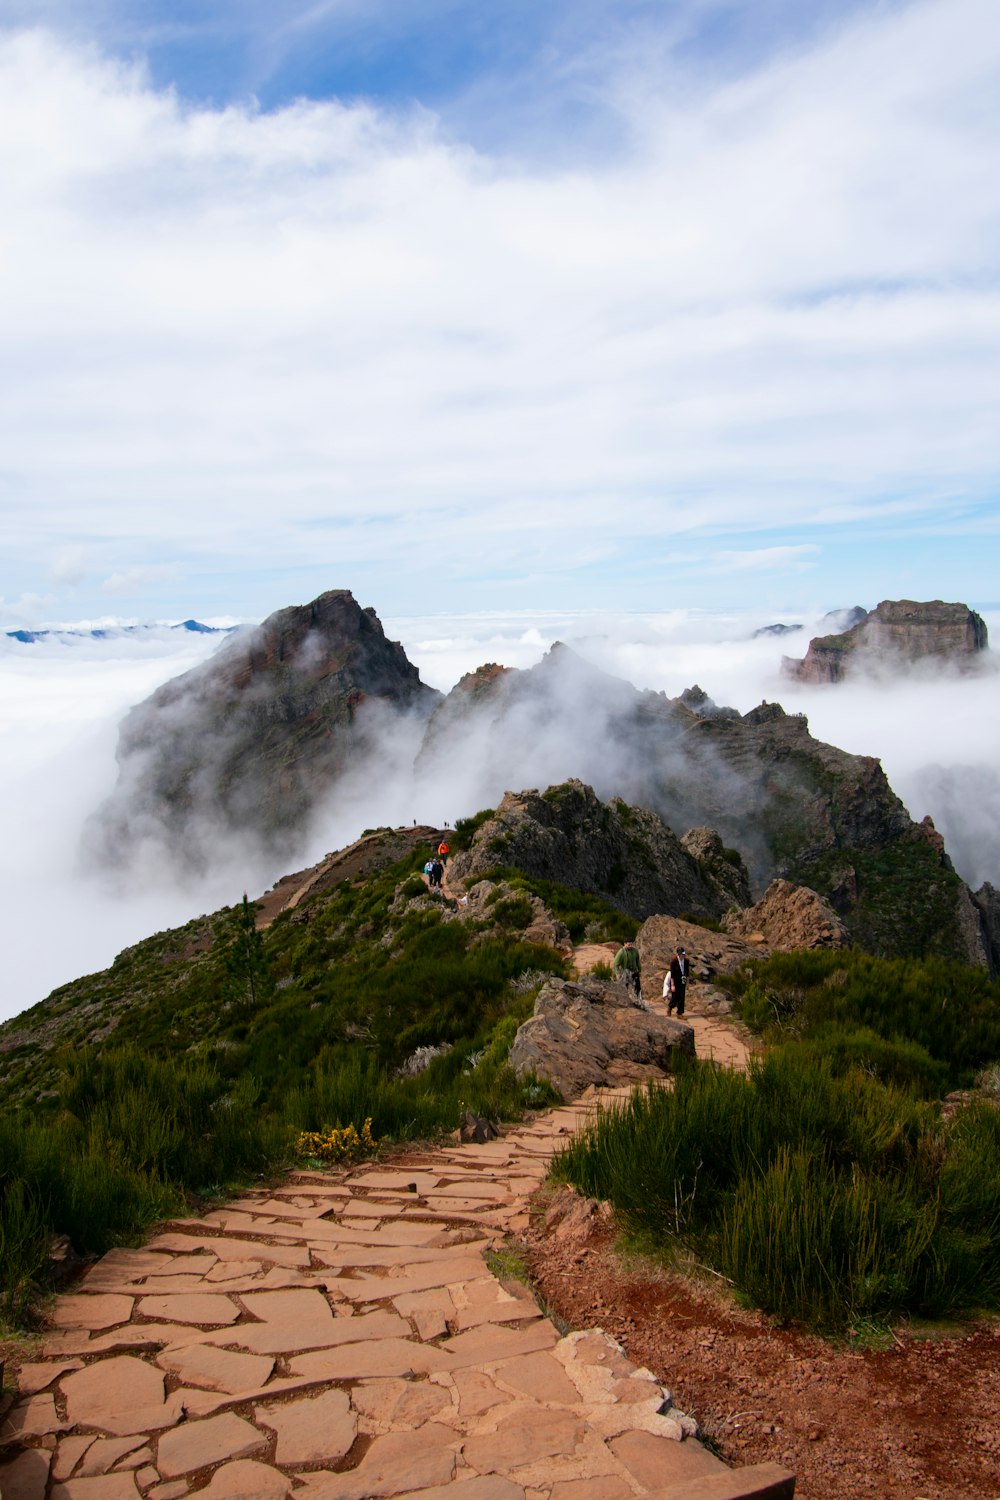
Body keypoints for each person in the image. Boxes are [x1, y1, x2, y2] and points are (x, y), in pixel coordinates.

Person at [667, 945, 690, 1016]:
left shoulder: (686, 961)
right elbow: (672, 974)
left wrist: (687, 982)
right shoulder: (674, 962)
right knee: (675, 996)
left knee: (682, 996)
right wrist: (672, 985)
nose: (682, 956)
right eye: (681, 955)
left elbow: (687, 972)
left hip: (682, 978)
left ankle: (680, 1012)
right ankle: (670, 1007)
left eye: (683, 954)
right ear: (678, 954)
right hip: (675, 980)